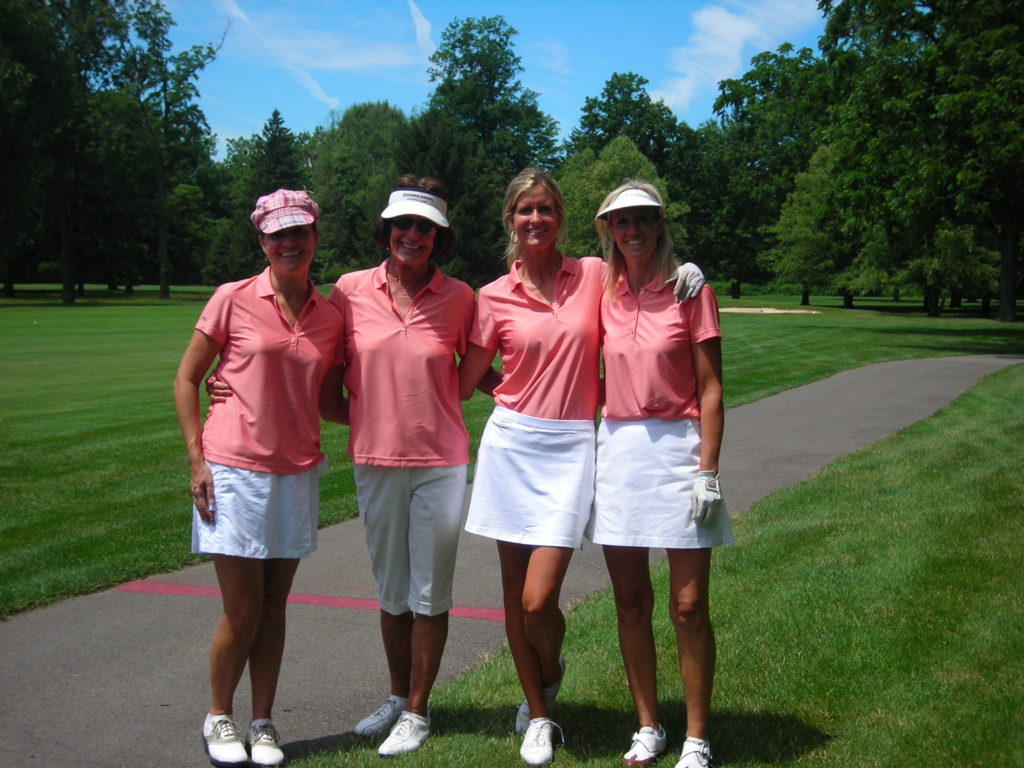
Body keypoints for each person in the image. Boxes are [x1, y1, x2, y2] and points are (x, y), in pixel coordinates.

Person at [458, 169, 705, 766]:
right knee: (515, 596)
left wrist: (689, 273)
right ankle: (539, 713)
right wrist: (510, 392)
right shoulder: (492, 295)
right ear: (510, 220)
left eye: (545, 209)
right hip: (513, 445)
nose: (535, 219)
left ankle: (548, 674)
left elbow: (644, 274)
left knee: (540, 602)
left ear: (562, 218)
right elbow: (467, 377)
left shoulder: (592, 275)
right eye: (524, 210)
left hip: (572, 447)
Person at [173, 189, 345, 768]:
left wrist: (397, 414)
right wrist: (197, 460)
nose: (290, 243)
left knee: (275, 609)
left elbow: (327, 400)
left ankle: (262, 720)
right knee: (243, 610)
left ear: (315, 238)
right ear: (263, 243)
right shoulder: (233, 298)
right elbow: (187, 379)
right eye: (278, 235)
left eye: (299, 233)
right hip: (233, 469)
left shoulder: (330, 316)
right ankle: (219, 714)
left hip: (296, 472)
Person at [322, 176, 476, 756]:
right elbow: (316, 374)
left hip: (441, 463)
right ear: (386, 230)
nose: (412, 235)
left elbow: (478, 372)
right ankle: (395, 695)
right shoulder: (348, 291)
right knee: (392, 592)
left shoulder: (461, 297)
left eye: (425, 227)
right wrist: (364, 419)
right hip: (376, 462)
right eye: (403, 225)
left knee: (430, 592)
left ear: (439, 237)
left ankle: (418, 709)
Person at [589, 181, 732, 768]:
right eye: (621, 223)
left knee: (689, 604)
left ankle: (696, 736)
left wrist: (709, 471)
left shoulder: (690, 290)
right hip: (619, 451)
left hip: (680, 450)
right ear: (609, 232)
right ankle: (648, 725)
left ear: (658, 224)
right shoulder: (602, 291)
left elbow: (712, 387)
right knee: (629, 600)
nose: (632, 231)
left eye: (642, 220)